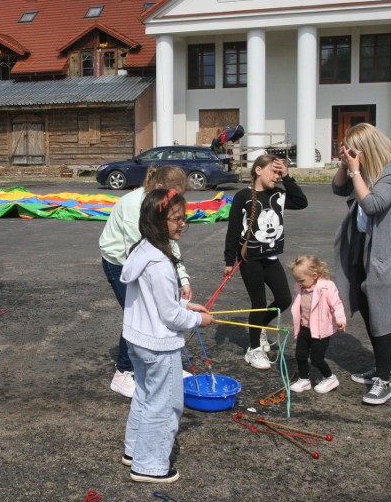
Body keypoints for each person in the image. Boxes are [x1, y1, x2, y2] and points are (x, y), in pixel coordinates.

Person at [120, 188, 214, 484]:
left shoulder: (144, 249)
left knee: (146, 396)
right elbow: (170, 316)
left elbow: (158, 300)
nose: (182, 223)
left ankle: (134, 451)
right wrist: (200, 319)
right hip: (158, 346)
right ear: (157, 222)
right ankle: (149, 465)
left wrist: (186, 304)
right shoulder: (161, 263)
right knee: (165, 404)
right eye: (176, 219)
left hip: (138, 340)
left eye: (183, 218)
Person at [332, 123, 391, 405]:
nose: (350, 155)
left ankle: (384, 379)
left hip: (389, 252)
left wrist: (357, 170)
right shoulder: (368, 168)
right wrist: (345, 166)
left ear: (367, 149)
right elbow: (338, 188)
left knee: (383, 313)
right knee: (370, 309)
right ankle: (383, 367)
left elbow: (373, 205)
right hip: (366, 248)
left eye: (353, 150)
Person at [99, 166, 192, 398]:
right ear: (160, 189)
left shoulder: (163, 206)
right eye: (175, 195)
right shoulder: (134, 205)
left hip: (148, 259)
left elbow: (167, 241)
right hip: (120, 262)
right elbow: (141, 248)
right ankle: (123, 373)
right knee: (136, 315)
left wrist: (182, 277)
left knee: (155, 314)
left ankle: (166, 366)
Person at [224, 154, 308, 369]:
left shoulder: (278, 195)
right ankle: (253, 350)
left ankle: (259, 327)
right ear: (258, 170)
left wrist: (288, 177)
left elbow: (301, 202)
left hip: (271, 259)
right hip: (250, 259)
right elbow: (233, 229)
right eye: (274, 171)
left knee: (283, 299)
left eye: (280, 173)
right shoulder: (243, 196)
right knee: (259, 303)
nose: (277, 177)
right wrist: (229, 260)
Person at [288, 254, 347, 394]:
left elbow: (337, 305)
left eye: (301, 280)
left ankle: (330, 378)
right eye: (297, 280)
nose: (299, 283)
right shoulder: (300, 287)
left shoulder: (327, 287)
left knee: (317, 359)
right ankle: (304, 379)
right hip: (304, 328)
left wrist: (340, 319)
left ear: (314, 275)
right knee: (300, 355)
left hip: (320, 331)